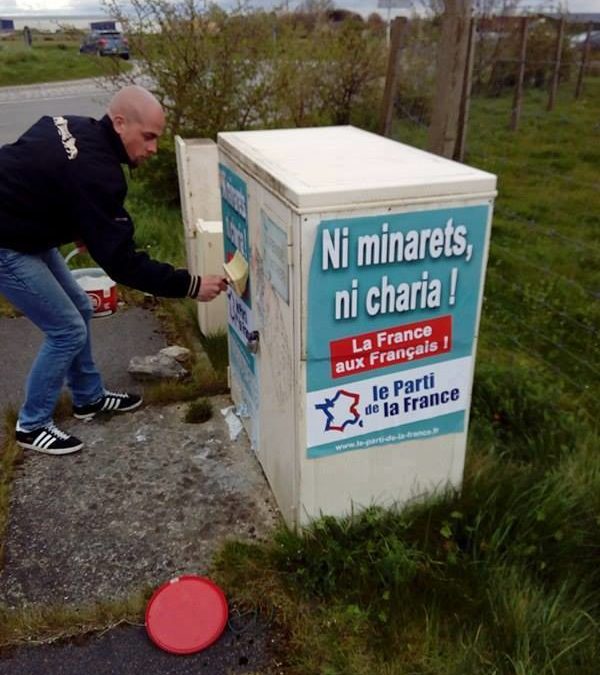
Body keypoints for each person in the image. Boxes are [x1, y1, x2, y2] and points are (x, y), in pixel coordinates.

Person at [0, 85, 227, 455]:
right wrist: (191, 284)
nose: (153, 149)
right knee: (66, 329)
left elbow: (37, 155)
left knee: (82, 307)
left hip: (24, 229)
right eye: (148, 137)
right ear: (120, 123)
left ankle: (88, 399)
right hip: (8, 243)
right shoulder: (99, 173)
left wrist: (76, 222)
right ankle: (32, 423)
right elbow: (123, 264)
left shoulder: (72, 124)